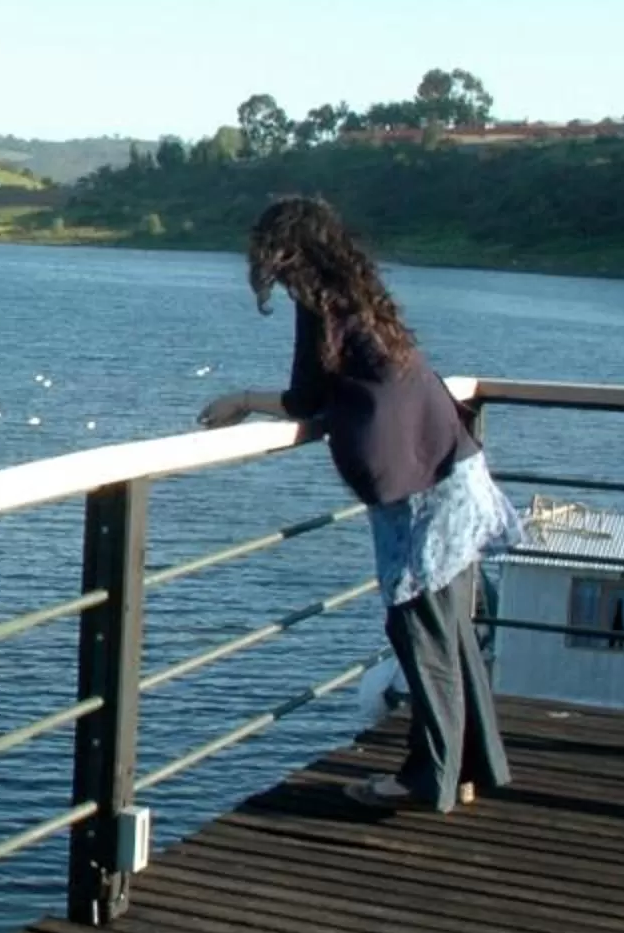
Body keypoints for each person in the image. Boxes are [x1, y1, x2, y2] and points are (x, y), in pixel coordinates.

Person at [197, 197, 523, 811]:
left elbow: (305, 397)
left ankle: (431, 781)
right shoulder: (361, 290)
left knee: (418, 630)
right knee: (449, 629)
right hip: (451, 461)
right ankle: (471, 769)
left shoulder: (319, 303)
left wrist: (241, 400)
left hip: (415, 487)